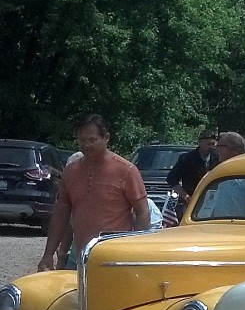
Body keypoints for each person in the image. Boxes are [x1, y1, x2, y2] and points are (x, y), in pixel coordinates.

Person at [38, 113, 150, 271]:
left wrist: (135, 253)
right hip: (79, 257)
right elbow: (61, 214)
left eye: (92, 140)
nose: (86, 145)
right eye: (81, 141)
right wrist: (48, 254)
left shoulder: (126, 171)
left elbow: (143, 213)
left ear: (106, 138)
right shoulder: (71, 171)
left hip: (114, 259)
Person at [167, 130, 218, 213]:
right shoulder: (187, 158)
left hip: (213, 202)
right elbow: (171, 179)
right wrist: (186, 197)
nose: (211, 147)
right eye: (208, 144)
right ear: (200, 143)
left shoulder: (217, 158)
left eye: (213, 144)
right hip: (191, 203)